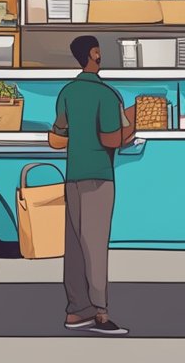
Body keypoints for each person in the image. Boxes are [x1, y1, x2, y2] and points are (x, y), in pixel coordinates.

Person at [48, 35, 134, 336]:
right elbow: (111, 139)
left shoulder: (68, 92)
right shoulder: (107, 95)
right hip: (99, 175)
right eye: (99, 50)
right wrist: (133, 125)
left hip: (73, 175)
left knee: (74, 246)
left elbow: (57, 137)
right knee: (95, 245)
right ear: (93, 54)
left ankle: (75, 310)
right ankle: (100, 313)